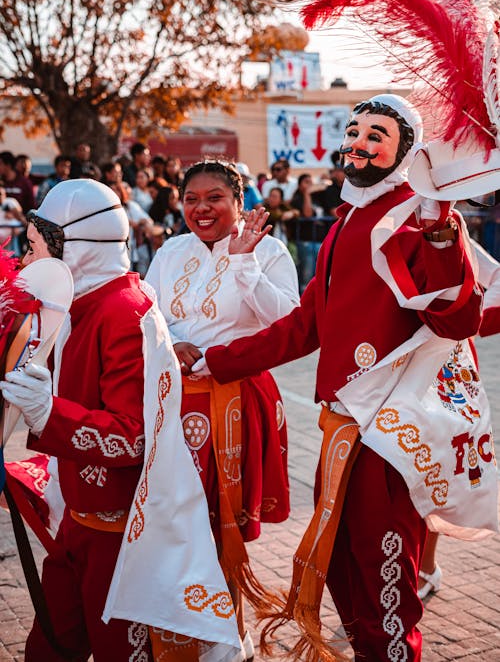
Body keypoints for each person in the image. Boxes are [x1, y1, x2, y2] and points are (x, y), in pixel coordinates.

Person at [190, 95, 490, 661]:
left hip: (386, 432)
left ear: (407, 148)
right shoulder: (350, 217)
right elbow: (306, 325)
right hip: (340, 431)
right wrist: (218, 360)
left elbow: (458, 317)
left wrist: (441, 232)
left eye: (376, 134)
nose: (358, 142)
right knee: (342, 569)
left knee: (383, 577)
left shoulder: (414, 215)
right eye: (353, 130)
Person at [0, 179, 241, 662]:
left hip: (120, 537)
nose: (26, 261)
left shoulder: (122, 312)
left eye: (34, 247)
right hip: (80, 517)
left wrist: (50, 413)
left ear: (75, 246)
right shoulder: (80, 304)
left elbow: (134, 437)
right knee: (48, 647)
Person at [145, 159, 300, 660]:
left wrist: (242, 262)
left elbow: (287, 322)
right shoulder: (169, 252)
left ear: (238, 201)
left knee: (222, 518)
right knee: (179, 518)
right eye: (191, 198)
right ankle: (193, 619)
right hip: (176, 402)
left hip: (236, 399)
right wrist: (176, 341)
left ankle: (227, 630)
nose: (201, 208)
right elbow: (146, 316)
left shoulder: (269, 249)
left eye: (214, 198)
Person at [418, 239, 500, 600]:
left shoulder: (447, 230)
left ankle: (425, 567)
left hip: (445, 367)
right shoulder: (373, 223)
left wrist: (473, 323)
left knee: (434, 464)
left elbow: (496, 276)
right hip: (389, 367)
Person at [289, 173, 328, 293]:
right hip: (306, 242)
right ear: (300, 185)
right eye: (306, 182)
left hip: (320, 241)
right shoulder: (298, 199)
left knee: (321, 277)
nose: (310, 184)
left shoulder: (318, 197)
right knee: (306, 277)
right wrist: (306, 194)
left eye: (311, 182)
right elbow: (308, 213)